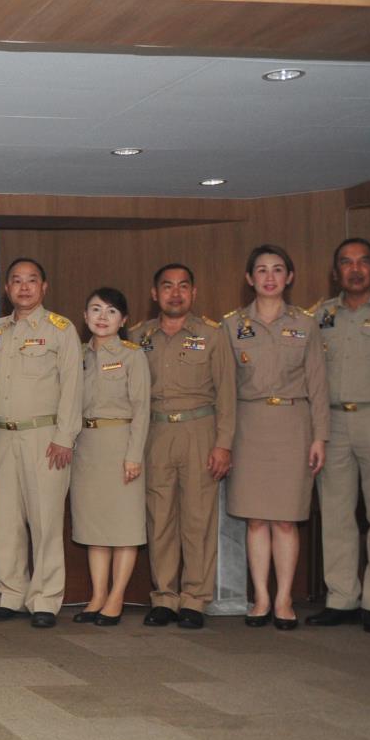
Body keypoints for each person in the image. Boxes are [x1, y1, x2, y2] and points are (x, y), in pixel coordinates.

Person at [225, 244, 328, 630]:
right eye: (262, 270)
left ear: (290, 276)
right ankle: (261, 598)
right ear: (249, 278)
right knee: (255, 520)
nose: (270, 277)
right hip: (248, 426)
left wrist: (320, 436)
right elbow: (225, 389)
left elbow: (318, 384)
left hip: (293, 425)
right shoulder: (231, 325)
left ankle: (284, 598)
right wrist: (224, 439)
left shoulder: (306, 324)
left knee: (285, 520)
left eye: (278, 269)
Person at [129, 264, 236, 630]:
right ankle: (164, 597)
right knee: (159, 518)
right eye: (167, 286)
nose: (175, 293)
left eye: (183, 286)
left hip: (199, 431)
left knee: (197, 519)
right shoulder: (137, 336)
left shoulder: (213, 335)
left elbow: (227, 395)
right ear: (154, 294)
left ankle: (194, 599)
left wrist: (224, 445)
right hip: (155, 433)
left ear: (193, 292)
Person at [0, 258, 81, 629]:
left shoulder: (61, 330)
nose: (24, 288)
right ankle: (10, 594)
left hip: (45, 438)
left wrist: (65, 437)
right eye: (17, 281)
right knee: (5, 522)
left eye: (32, 281)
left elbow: (73, 387)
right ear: (7, 289)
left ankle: (45, 599)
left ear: (44, 287)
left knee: (45, 521)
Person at [311, 238, 370, 634]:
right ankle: (341, 597)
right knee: (336, 514)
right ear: (334, 272)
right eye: (346, 262)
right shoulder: (320, 316)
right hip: (333, 423)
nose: (355, 269)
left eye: (363, 262)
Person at [70, 288, 150, 625]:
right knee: (95, 527)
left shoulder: (133, 355)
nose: (103, 317)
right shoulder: (76, 354)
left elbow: (142, 409)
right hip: (86, 447)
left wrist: (134, 455)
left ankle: (116, 597)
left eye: (112, 311)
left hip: (121, 445)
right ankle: (98, 595)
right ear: (85, 316)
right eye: (96, 309)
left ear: (124, 320)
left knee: (124, 526)